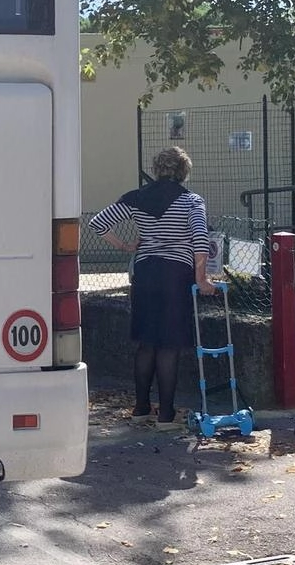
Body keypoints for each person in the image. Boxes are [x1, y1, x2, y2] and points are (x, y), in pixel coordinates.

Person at [88, 147, 216, 430]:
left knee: (147, 342)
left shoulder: (136, 197)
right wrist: (202, 278)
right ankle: (167, 415)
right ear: (184, 172)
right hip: (175, 274)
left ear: (157, 169)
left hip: (145, 273)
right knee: (168, 344)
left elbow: (98, 223)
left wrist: (124, 246)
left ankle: (141, 408)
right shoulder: (191, 201)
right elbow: (199, 238)